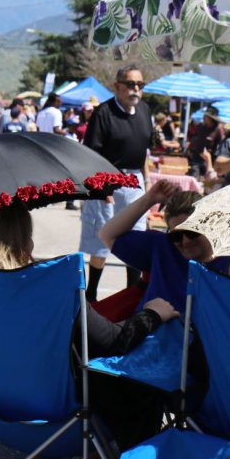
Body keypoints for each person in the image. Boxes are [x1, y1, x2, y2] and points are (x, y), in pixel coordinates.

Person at [0, 203, 178, 448]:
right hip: (53, 420)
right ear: (22, 243)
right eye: (29, 237)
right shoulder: (49, 287)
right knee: (143, 385)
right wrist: (152, 314)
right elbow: (113, 342)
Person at [98, 180, 230, 314]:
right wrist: (150, 198)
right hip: (151, 331)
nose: (185, 241)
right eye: (176, 235)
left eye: (192, 232)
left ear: (208, 225)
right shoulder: (162, 245)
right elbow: (107, 235)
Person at [80, 65, 154, 302]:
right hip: (108, 182)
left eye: (140, 85)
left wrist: (148, 181)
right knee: (102, 240)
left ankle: (132, 295)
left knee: (136, 238)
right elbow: (91, 154)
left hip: (135, 181)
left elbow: (144, 151)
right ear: (117, 86)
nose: (136, 89)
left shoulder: (144, 111)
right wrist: (102, 189)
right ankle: (91, 295)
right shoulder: (104, 113)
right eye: (131, 84)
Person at [187, 106, 226, 177]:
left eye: (206, 116)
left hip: (209, 160)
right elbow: (194, 138)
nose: (203, 117)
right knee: (194, 176)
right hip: (196, 157)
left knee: (207, 181)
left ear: (211, 118)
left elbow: (222, 146)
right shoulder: (200, 126)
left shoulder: (218, 129)